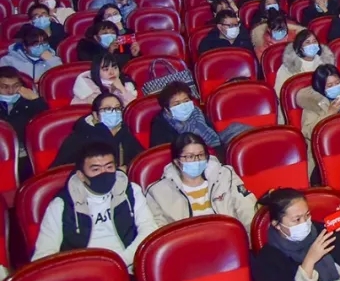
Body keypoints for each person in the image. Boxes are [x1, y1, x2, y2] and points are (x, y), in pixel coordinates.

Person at [33, 140, 158, 268]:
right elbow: (44, 254)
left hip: (127, 264)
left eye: (109, 167)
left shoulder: (131, 191)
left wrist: (120, 261)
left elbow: (148, 229)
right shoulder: (62, 205)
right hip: (85, 271)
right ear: (81, 175)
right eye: (96, 169)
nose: (104, 173)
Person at [145, 133, 256, 229]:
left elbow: (246, 209)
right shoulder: (157, 192)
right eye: (190, 157)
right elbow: (160, 231)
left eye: (201, 155)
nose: (196, 160)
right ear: (177, 161)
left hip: (228, 238)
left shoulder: (225, 176)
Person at [148, 81, 222, 149]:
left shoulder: (198, 114)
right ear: (167, 109)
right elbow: (163, 152)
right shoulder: (160, 124)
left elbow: (216, 140)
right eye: (177, 104)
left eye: (186, 101)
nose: (183, 106)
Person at [275, 30, 336, 96]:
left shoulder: (325, 62)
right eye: (308, 42)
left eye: (314, 41)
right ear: (300, 47)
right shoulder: (289, 66)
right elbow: (280, 91)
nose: (312, 45)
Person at [72, 53, 138, 106]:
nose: (112, 72)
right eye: (106, 69)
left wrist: (122, 89)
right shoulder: (88, 88)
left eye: (115, 67)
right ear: (97, 71)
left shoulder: (126, 84)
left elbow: (133, 109)